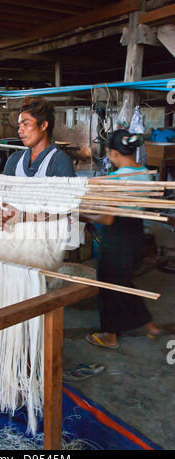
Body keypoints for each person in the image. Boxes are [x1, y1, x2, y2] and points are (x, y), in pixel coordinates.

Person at [82, 129, 161, 350]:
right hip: (135, 236)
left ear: (112, 153)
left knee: (108, 287)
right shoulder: (146, 173)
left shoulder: (116, 179)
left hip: (116, 240)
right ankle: (149, 324)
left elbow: (107, 218)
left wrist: (85, 215)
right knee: (124, 284)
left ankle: (110, 336)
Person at [0, 98, 75, 229]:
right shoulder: (15, 159)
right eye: (19, 125)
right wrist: (1, 213)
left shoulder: (59, 161)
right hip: (15, 230)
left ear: (43, 125)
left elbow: (65, 209)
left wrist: (22, 217)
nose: (20, 130)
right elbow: (2, 195)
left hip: (47, 235)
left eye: (26, 124)